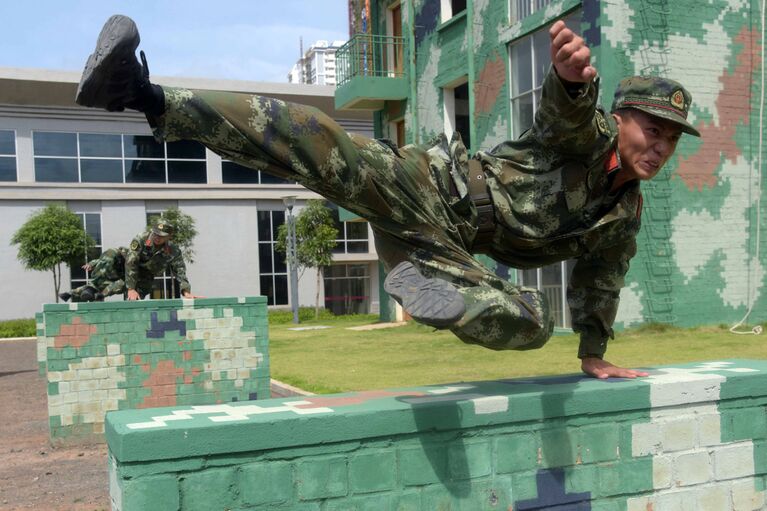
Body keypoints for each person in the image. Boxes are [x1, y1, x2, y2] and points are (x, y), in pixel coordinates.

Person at [75, 15, 700, 378]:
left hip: (446, 248)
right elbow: (566, 116)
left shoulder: (623, 215)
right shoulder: (589, 136)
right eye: (652, 130)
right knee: (316, 143)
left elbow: (600, 284)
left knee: (536, 323)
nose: (660, 148)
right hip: (432, 185)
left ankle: (418, 278)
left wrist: (594, 355)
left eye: (671, 140)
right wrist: (567, 79)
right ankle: (140, 92)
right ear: (621, 119)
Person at [60, 219, 196, 302]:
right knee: (111, 253)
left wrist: (186, 291)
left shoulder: (173, 250)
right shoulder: (141, 239)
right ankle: (92, 287)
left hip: (145, 277)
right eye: (155, 233)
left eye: (161, 236)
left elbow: (180, 271)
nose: (157, 237)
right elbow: (131, 262)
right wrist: (131, 288)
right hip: (126, 264)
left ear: (169, 237)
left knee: (127, 293)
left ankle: (89, 294)